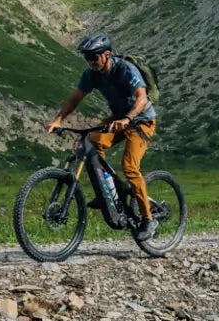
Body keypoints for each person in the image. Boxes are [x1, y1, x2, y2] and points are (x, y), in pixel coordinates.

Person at [48, 33, 158, 239]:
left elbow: (142, 98)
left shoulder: (125, 69)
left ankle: (148, 219)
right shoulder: (91, 74)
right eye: (87, 57)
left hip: (141, 120)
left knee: (130, 167)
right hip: (117, 119)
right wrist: (58, 119)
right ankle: (109, 189)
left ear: (107, 55)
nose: (90, 61)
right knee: (91, 142)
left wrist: (127, 118)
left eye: (94, 56)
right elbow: (74, 99)